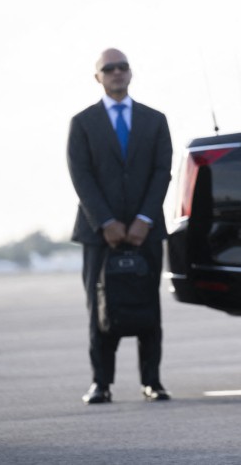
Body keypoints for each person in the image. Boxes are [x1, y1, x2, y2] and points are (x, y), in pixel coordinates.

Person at [67, 48, 173, 405]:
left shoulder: (155, 120)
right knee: (99, 307)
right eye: (108, 68)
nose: (116, 72)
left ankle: (152, 382)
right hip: (99, 235)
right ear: (97, 76)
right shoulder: (82, 123)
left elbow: (162, 172)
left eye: (122, 67)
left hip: (146, 230)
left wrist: (144, 219)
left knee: (148, 305)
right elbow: (80, 176)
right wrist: (107, 222)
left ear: (131, 73)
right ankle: (101, 383)